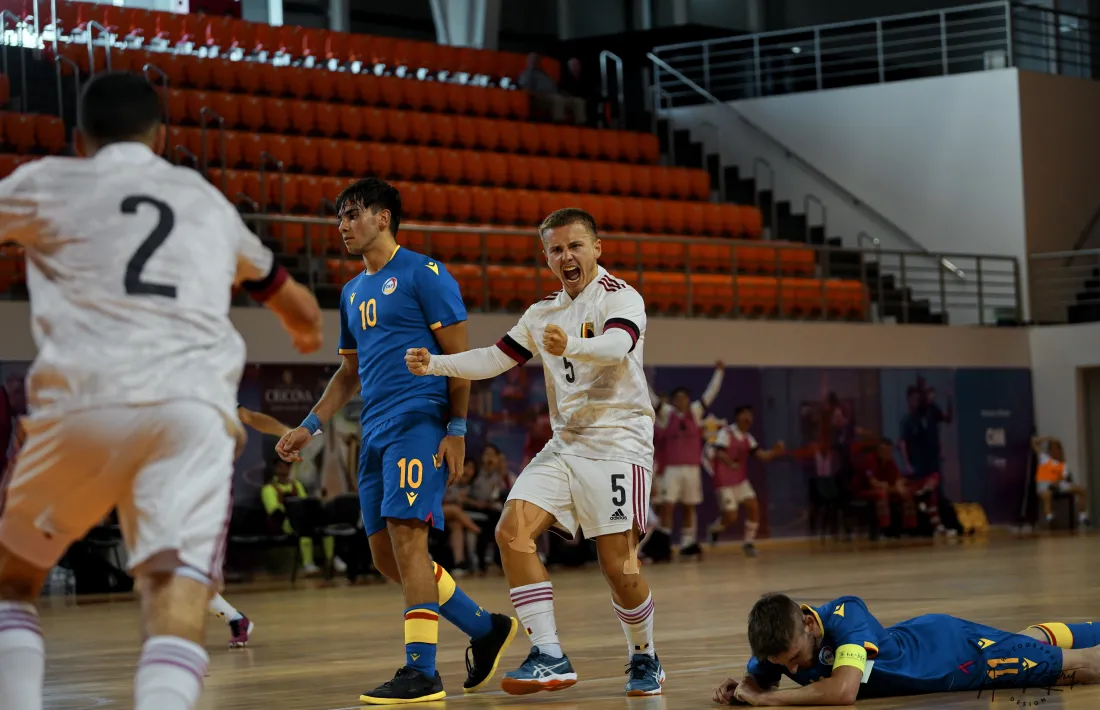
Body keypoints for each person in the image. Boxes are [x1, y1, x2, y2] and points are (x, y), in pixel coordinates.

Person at [0, 71, 323, 710]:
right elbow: (300, 308)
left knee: (14, 583)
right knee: (172, 590)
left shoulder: (46, 180)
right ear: (162, 136)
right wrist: (302, 327)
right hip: (189, 412)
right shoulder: (203, 198)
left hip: (83, 403)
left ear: (80, 140)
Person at [274, 177, 517, 705]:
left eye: (352, 214)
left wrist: (456, 431)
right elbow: (347, 375)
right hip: (375, 432)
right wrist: (309, 427)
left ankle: (422, 673)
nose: (342, 225)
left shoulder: (425, 273)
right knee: (387, 559)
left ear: (383, 217)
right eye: (339, 217)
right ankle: (485, 628)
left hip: (419, 422)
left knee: (410, 542)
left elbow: (460, 362)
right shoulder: (350, 290)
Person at [405, 207, 664, 697]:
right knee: (511, 531)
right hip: (565, 446)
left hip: (618, 445)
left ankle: (644, 655)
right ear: (545, 256)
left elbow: (616, 347)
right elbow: (493, 358)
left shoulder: (621, 296)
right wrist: (435, 364)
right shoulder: (543, 311)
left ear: (597, 248)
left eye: (575, 246)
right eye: (556, 249)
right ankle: (548, 654)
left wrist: (570, 346)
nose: (567, 256)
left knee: (619, 568)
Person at [712, 593, 1100, 706]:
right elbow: (757, 676)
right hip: (935, 641)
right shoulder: (778, 643)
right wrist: (747, 684)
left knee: (1084, 669)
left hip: (962, 658)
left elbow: (844, 691)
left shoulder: (847, 615)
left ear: (810, 624)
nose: (792, 672)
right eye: (783, 667)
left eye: (796, 661)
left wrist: (771, 701)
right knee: (1027, 642)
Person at [650, 362, 724, 559]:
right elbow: (651, 397)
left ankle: (687, 544)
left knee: (689, 506)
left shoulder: (696, 412)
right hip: (672, 470)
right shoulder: (667, 414)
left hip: (692, 469)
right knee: (668, 506)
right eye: (678, 398)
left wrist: (719, 373)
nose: (681, 401)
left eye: (684, 398)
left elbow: (710, 394)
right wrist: (636, 368)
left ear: (688, 400)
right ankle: (664, 544)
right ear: (674, 401)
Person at [705, 406, 784, 556]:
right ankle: (714, 529)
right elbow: (719, 452)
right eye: (745, 415)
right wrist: (730, 463)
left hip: (740, 481)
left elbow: (762, 456)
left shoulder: (748, 438)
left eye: (750, 416)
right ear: (738, 417)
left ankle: (748, 543)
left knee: (754, 506)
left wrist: (775, 451)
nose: (748, 419)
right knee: (731, 516)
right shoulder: (726, 433)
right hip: (724, 481)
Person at [1031, 436, 1089, 528]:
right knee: (1047, 495)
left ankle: (1082, 517)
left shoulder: (1062, 463)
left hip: (1060, 485)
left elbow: (1064, 477)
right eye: (1054, 449)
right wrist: (1048, 438)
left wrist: (1059, 481)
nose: (1056, 451)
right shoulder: (1044, 458)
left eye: (1058, 449)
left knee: (1081, 490)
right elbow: (1034, 442)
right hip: (1045, 485)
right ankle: (1050, 518)